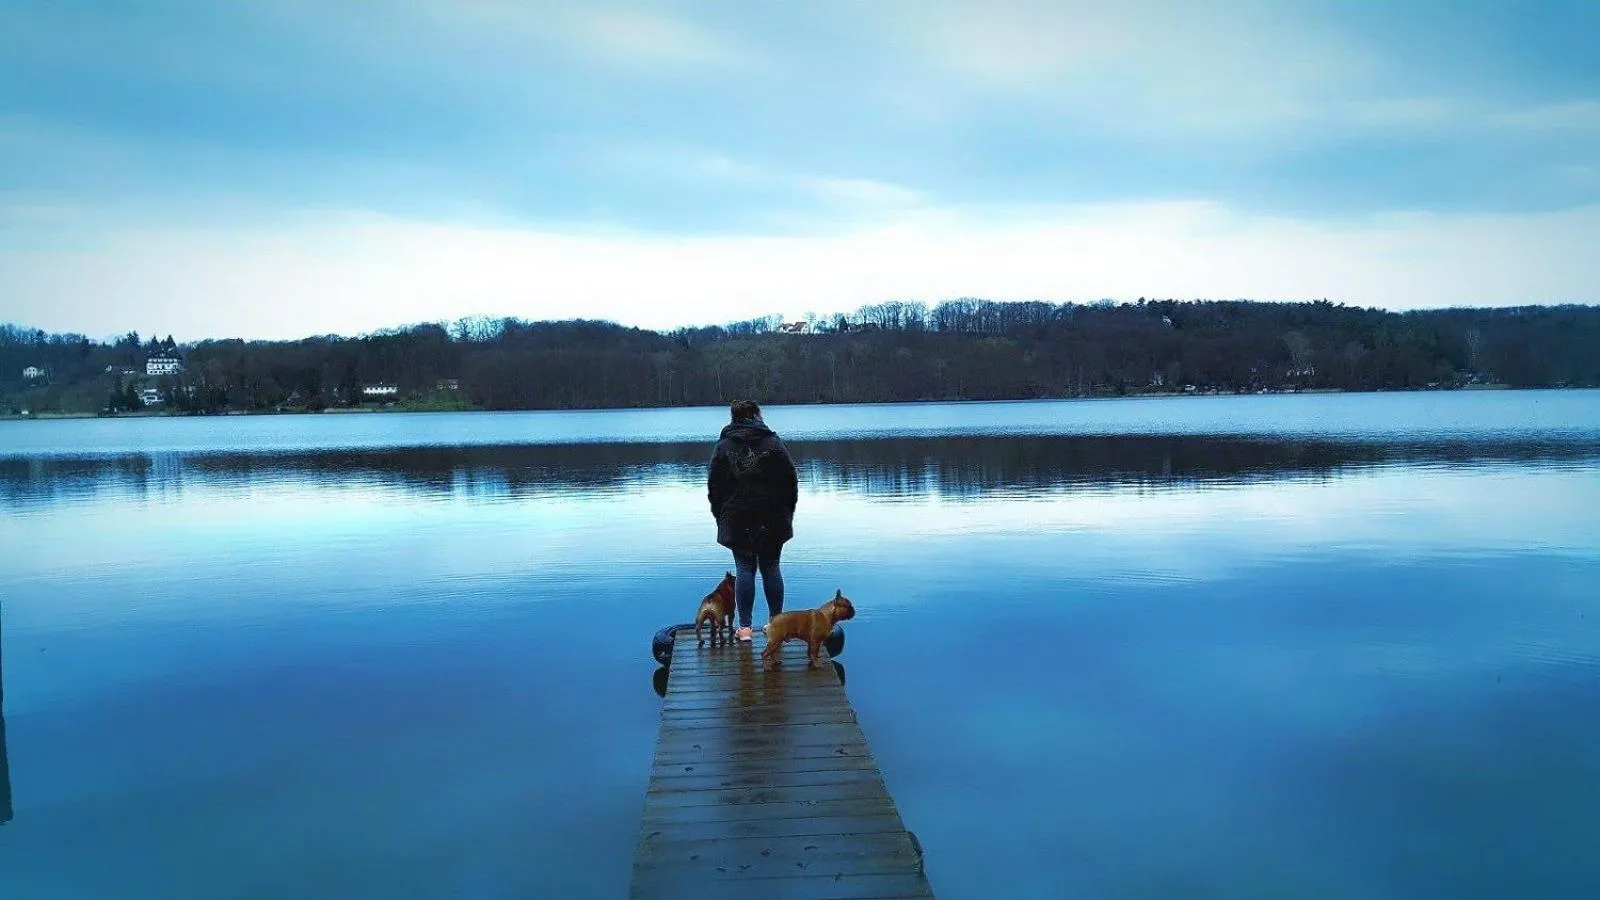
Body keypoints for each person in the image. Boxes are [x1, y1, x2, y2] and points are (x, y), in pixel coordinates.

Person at [708, 400, 798, 642]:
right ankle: (776, 624)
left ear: (733, 417)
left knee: (744, 568)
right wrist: (787, 512)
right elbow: (790, 480)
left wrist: (721, 514)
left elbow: (714, 486)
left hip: (738, 516)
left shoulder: (724, 446)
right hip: (772, 515)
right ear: (757, 415)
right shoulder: (773, 443)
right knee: (771, 567)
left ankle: (745, 629)